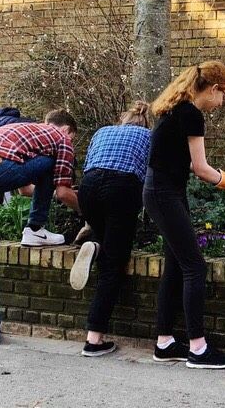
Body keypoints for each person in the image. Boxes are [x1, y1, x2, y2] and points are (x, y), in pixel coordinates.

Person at [145, 61, 225, 370]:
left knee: (177, 264)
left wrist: (221, 175)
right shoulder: (191, 114)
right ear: (213, 89)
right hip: (165, 194)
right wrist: (224, 181)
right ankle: (198, 349)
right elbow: (200, 169)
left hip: (163, 191)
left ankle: (165, 343)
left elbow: (186, 161)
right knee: (195, 267)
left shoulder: (176, 109)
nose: (223, 102)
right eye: (224, 95)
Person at [0, 110, 79, 346]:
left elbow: (24, 189)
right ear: (66, 130)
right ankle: (34, 228)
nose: (71, 143)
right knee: (51, 163)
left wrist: (46, 190)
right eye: (72, 138)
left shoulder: (22, 131)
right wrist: (86, 211)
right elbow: (63, 192)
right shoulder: (61, 138)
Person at [72, 101, 153, 357]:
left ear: (124, 119)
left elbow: (89, 165)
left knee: (105, 238)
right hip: (122, 188)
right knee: (113, 265)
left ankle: (95, 244)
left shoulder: (103, 131)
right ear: (146, 122)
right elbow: (152, 177)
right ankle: (94, 340)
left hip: (88, 188)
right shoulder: (149, 136)